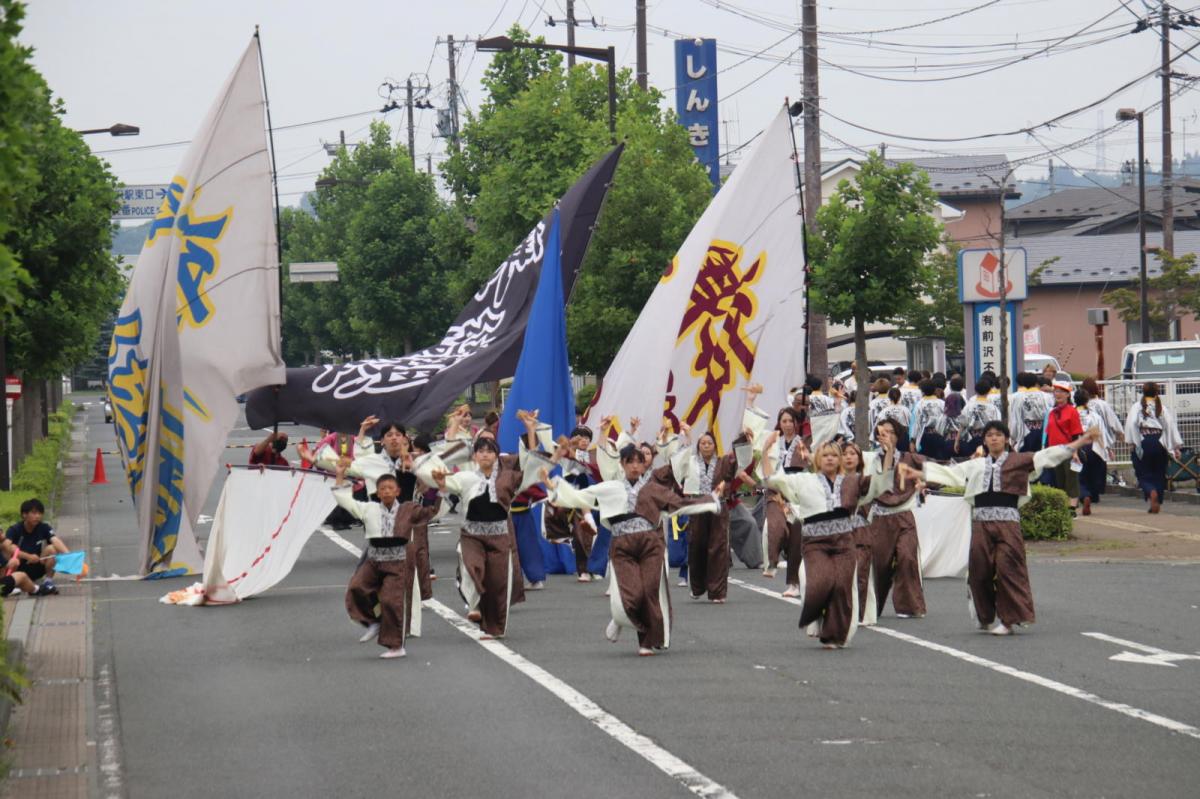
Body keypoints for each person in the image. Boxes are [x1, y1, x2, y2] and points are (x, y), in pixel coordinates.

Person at [906, 421, 1097, 635]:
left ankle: (1009, 620)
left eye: (998, 435)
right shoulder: (976, 465)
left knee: (1009, 569)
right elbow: (951, 473)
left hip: (1008, 524)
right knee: (979, 571)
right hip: (981, 524)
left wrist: (1079, 442)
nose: (993, 438)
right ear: (984, 440)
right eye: (989, 435)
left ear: (1006, 439)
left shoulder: (1019, 461)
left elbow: (1047, 456)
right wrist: (921, 475)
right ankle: (984, 616)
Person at [542, 445, 723, 656]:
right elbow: (581, 497)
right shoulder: (611, 487)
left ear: (645, 464)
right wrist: (550, 485)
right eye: (630, 462)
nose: (635, 467)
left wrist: (711, 500)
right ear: (622, 464)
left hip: (650, 545)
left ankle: (646, 641)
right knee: (633, 594)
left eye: (639, 462)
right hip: (622, 545)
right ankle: (620, 618)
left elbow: (681, 504)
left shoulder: (653, 488)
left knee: (649, 591)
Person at [767, 441, 892, 648]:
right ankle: (819, 620)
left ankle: (834, 635)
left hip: (843, 541)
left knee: (842, 586)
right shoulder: (804, 480)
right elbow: (776, 480)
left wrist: (888, 455)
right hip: (815, 543)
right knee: (820, 582)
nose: (830, 459)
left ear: (840, 459)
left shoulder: (852, 481)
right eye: (825, 455)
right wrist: (764, 453)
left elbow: (880, 483)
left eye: (834, 455)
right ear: (818, 459)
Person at [430, 430, 541, 639]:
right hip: (472, 535)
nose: (484, 455)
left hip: (499, 535)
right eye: (480, 451)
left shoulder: (508, 477)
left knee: (498, 582)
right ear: (474, 456)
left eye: (490, 451)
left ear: (497, 456)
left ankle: (494, 628)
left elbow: (531, 464)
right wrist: (440, 481)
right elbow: (448, 485)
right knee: (473, 568)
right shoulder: (465, 477)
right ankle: (474, 605)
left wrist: (531, 430)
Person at [331, 465, 418, 659]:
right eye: (382, 488)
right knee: (357, 587)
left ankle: (396, 646)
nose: (386, 491)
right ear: (377, 492)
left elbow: (430, 513)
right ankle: (372, 621)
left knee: (389, 600)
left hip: (398, 560)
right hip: (374, 559)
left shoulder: (406, 509)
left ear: (398, 491)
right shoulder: (368, 508)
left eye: (390, 488)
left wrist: (437, 490)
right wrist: (339, 475)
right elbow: (345, 500)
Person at [671, 427, 746, 603]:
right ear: (698, 445)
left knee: (718, 548)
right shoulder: (690, 461)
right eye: (703, 443)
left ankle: (717, 592)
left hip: (717, 507)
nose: (706, 446)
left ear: (715, 445)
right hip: (697, 507)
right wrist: (688, 436)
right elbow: (677, 466)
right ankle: (697, 587)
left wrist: (743, 437)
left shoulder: (723, 461)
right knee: (696, 545)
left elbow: (740, 463)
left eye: (709, 443)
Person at [867, 419, 927, 620]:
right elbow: (880, 482)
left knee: (907, 557)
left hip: (904, 517)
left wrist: (922, 483)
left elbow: (935, 471)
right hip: (880, 518)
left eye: (890, 432)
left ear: (897, 435)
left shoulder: (910, 458)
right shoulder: (870, 460)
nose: (886, 436)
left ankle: (909, 606)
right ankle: (871, 606)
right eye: (882, 433)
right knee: (880, 566)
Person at [1125, 382, 1184, 514]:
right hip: (1159, 442)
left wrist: (1132, 442)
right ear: (1157, 393)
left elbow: (1131, 425)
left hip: (1143, 442)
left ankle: (1150, 491)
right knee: (1159, 472)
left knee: (1143, 472)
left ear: (1143, 392)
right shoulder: (1161, 408)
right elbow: (1170, 426)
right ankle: (1157, 495)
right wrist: (1175, 447)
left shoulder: (1136, 407)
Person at [840, 442, 875, 624]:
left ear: (859, 458)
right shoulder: (834, 480)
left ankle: (859, 614)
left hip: (860, 532)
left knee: (861, 573)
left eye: (853, 453)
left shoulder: (864, 480)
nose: (848, 457)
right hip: (838, 533)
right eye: (845, 453)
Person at [5, 499, 68, 594]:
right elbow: (7, 546)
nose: (37, 516)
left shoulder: (44, 527)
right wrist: (28, 556)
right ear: (24, 515)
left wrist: (69, 555)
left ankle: (48, 581)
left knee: (52, 548)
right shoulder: (14, 529)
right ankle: (10, 584)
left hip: (37, 565)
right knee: (13, 552)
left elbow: (55, 540)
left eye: (40, 513)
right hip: (19, 567)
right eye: (34, 513)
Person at [1042, 377, 1084, 513]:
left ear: (1068, 394)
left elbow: (1076, 433)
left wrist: (1075, 452)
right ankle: (1063, 507)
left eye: (1061, 391)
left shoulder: (1072, 411)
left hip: (1069, 450)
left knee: (1071, 478)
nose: (1058, 394)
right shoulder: (1051, 412)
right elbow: (1048, 433)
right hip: (1054, 451)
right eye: (1056, 391)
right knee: (1059, 480)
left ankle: (1072, 508)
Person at [1074, 389, 1105, 516]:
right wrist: (1105, 449)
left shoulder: (1072, 413)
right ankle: (1091, 496)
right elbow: (1101, 433)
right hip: (1093, 446)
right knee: (1092, 474)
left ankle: (1084, 495)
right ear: (1087, 401)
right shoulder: (1094, 415)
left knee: (1079, 476)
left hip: (1078, 446)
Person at [955, 377, 1000, 458]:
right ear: (989, 391)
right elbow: (998, 426)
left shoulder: (968, 406)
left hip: (971, 440)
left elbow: (962, 425)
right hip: (987, 440)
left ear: (975, 391)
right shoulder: (993, 408)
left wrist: (957, 441)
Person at [1008, 372, 1050, 453]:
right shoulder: (1046, 396)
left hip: (1024, 429)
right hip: (1042, 428)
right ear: (1036, 382)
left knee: (1025, 456)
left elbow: (1014, 416)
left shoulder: (1016, 397)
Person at [909, 379, 947, 459]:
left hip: (924, 437)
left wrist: (912, 441)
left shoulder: (919, 405)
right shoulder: (942, 403)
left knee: (926, 462)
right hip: (940, 436)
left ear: (922, 391)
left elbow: (915, 424)